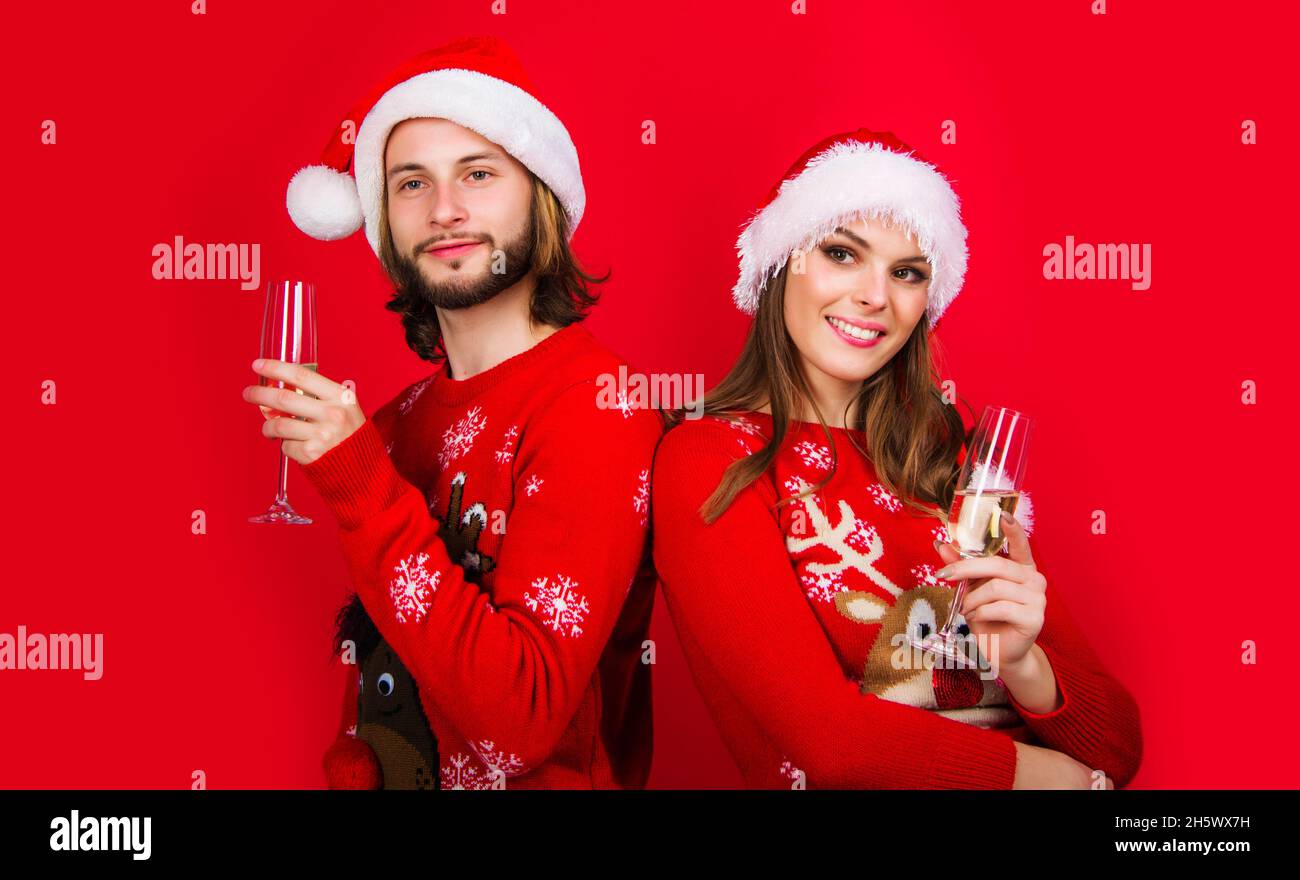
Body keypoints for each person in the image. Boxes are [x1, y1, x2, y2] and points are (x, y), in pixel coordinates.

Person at [650, 128, 1143, 789]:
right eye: (842, 254)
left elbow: (1117, 744)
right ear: (780, 260)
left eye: (906, 272)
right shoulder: (709, 460)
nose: (875, 297)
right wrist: (1048, 777)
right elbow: (832, 748)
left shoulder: (946, 458)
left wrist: (1024, 665)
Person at [243, 36, 662, 789]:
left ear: (540, 196)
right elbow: (378, 694)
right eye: (410, 184)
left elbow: (517, 724)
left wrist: (361, 484)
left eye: (477, 173)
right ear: (383, 220)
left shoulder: (597, 406)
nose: (444, 209)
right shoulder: (394, 422)